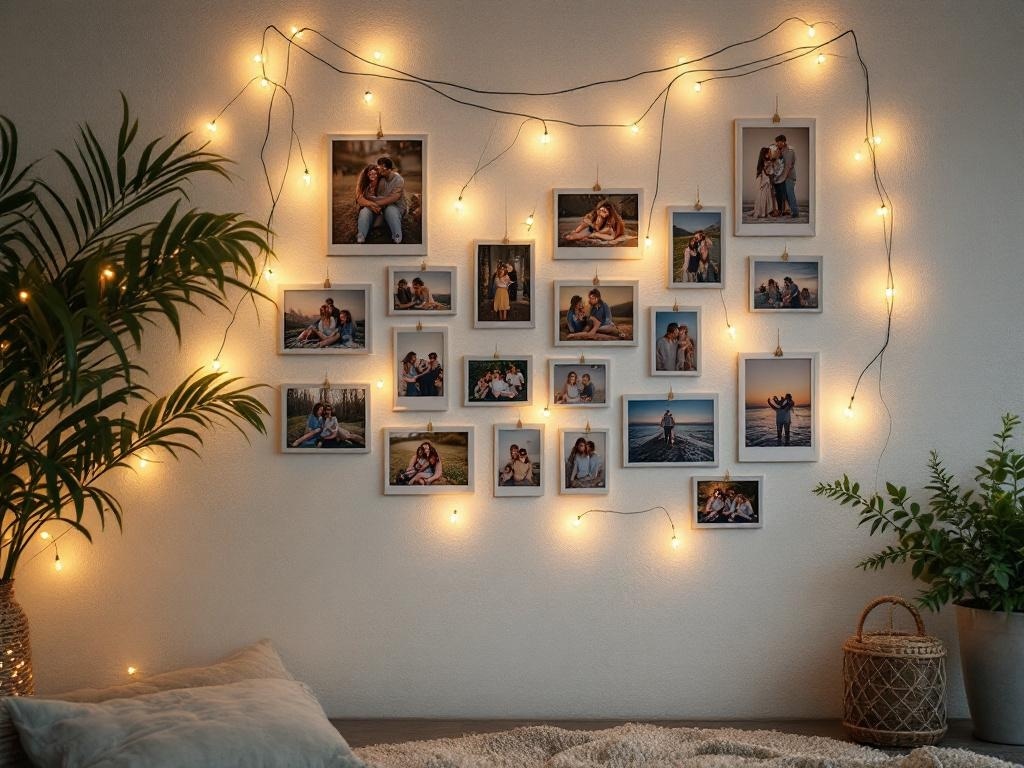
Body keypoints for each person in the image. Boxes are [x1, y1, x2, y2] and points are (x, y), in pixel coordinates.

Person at [357, 156, 406, 244]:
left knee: (391, 210)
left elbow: (394, 197)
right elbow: (361, 197)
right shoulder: (379, 176)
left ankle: (397, 237)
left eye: (384, 168)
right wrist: (370, 204)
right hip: (380, 208)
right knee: (365, 211)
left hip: (394, 206)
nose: (380, 170)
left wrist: (376, 204)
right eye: (380, 167)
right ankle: (361, 235)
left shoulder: (398, 179)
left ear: (390, 169)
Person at [774, 134, 799, 219]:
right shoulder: (779, 150)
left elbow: (788, 166)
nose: (777, 144)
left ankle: (795, 212)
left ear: (784, 142)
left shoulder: (789, 151)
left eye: (779, 142)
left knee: (790, 194)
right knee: (785, 195)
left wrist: (782, 178)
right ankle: (790, 211)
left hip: (788, 176)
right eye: (777, 142)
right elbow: (778, 164)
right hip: (782, 177)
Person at [354, 165, 381, 241]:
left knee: (377, 224)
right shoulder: (363, 184)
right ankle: (361, 236)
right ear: (367, 174)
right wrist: (372, 205)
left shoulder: (382, 183)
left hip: (381, 210)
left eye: (375, 174)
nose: (373, 176)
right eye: (370, 174)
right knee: (364, 212)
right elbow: (359, 199)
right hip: (369, 208)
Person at [753, 146, 776, 220]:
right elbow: (769, 172)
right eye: (769, 152)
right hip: (766, 180)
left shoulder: (765, 162)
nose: (770, 153)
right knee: (766, 195)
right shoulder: (767, 162)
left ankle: (764, 211)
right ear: (766, 154)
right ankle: (765, 212)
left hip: (765, 180)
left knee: (764, 195)